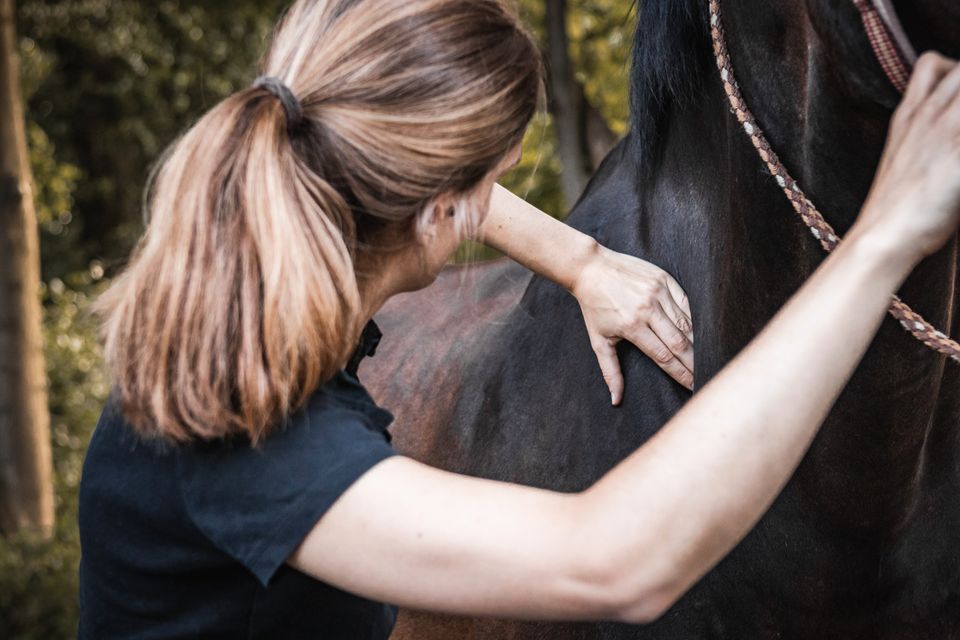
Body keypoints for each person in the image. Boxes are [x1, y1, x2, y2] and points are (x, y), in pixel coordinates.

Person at [77, 0, 960, 637]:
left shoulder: (258, 256)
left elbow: (393, 161)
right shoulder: (248, 441)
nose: (495, 201)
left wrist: (581, 261)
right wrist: (884, 235)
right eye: (494, 180)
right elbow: (616, 559)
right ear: (439, 214)